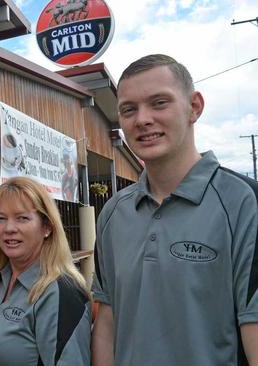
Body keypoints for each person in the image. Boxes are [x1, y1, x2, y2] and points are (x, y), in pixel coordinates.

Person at [91, 54, 258, 365]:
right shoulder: (113, 213)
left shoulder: (245, 202)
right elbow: (107, 321)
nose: (142, 119)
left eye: (159, 103)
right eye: (129, 109)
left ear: (194, 107)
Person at [0, 176, 91, 365]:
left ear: (47, 227)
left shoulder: (60, 292)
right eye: (1, 218)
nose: (9, 228)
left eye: (22, 218)